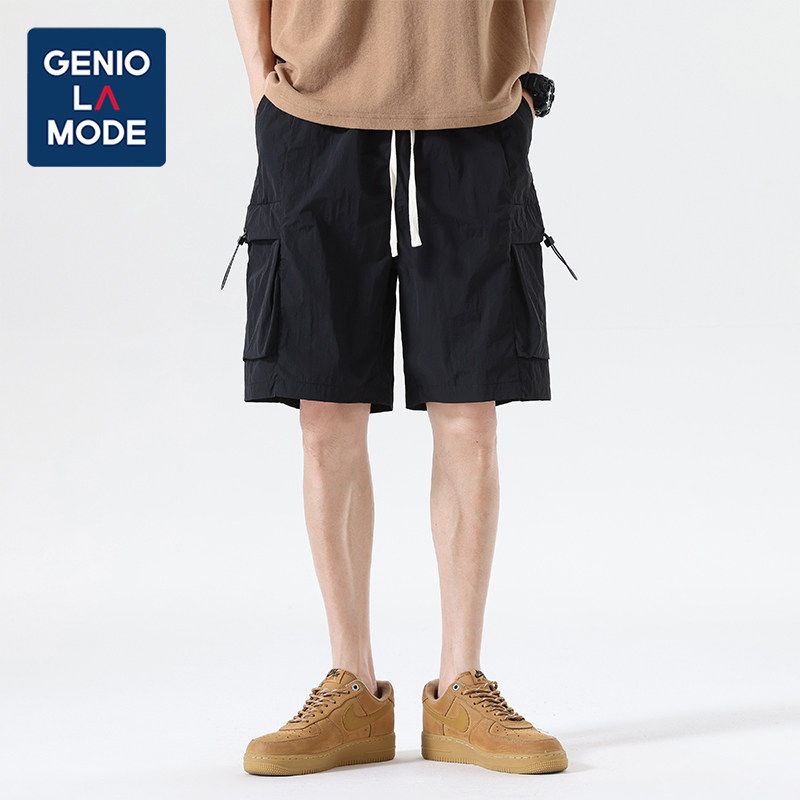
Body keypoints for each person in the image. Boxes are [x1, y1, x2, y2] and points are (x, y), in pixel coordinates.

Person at [226, 0, 571, 776]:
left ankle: (461, 687)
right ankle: (350, 684)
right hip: (313, 110)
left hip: (475, 106)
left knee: (470, 410)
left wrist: (523, 70)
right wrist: (260, 82)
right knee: (325, 411)